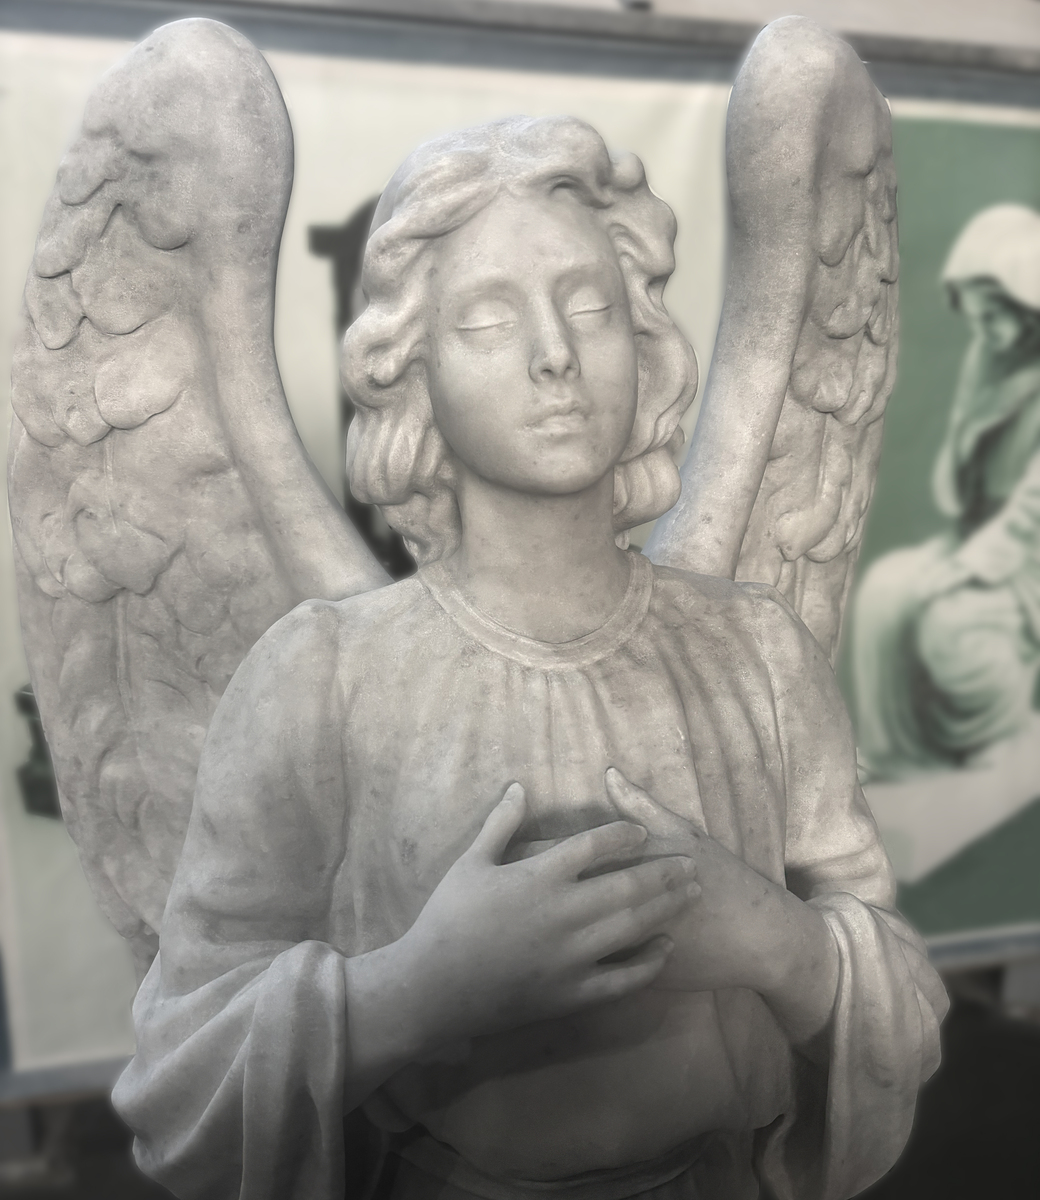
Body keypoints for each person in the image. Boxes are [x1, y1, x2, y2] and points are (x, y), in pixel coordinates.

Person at [113, 117, 946, 1200]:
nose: (555, 353)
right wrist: (415, 990)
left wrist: (780, 945)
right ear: (412, 368)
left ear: (644, 343)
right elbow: (180, 1079)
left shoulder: (754, 654)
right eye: (488, 319)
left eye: (591, 307)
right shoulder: (322, 679)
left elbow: (904, 1005)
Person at [854, 204, 1040, 780]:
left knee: (954, 626)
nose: (987, 331)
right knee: (884, 592)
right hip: (981, 535)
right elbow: (963, 464)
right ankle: (899, 755)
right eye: (977, 316)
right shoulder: (991, 360)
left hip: (1027, 557)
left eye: (997, 315)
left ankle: (992, 753)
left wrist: (969, 567)